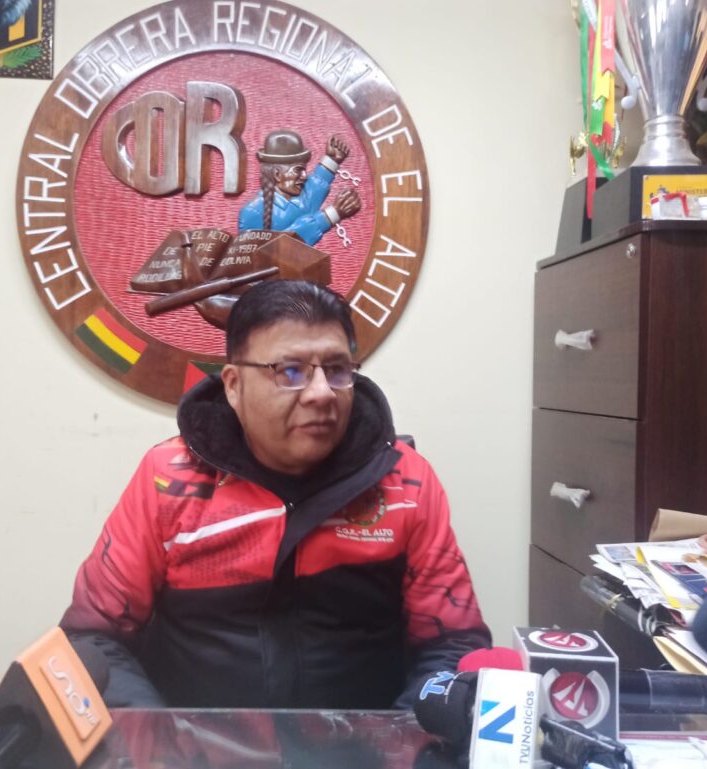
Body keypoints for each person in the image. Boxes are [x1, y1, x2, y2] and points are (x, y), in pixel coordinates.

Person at [60, 280, 491, 709]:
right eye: (290, 371)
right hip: (195, 741)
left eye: (336, 369)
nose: (321, 393)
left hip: (366, 739)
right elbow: (93, 638)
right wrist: (159, 738)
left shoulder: (404, 481)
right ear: (234, 386)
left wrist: (402, 739)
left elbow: (452, 646)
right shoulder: (169, 479)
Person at [238, 130, 361, 246]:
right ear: (277, 175)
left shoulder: (300, 197)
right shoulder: (252, 213)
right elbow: (280, 247)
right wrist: (332, 214)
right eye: (298, 170)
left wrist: (332, 160)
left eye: (304, 170)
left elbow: (316, 185)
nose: (304, 176)